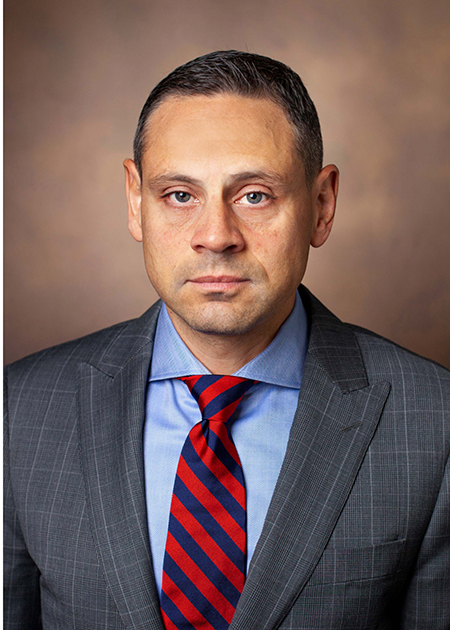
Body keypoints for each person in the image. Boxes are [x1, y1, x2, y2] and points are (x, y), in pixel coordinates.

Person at [4, 50, 449, 630]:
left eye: (254, 195)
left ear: (321, 205)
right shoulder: (18, 411)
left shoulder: (435, 421)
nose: (215, 236)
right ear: (135, 202)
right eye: (179, 195)